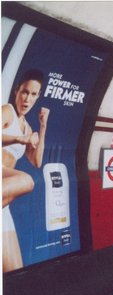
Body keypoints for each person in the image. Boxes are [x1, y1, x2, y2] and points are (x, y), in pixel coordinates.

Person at [2, 69, 50, 272]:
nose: (27, 99)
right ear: (16, 91)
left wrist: (43, 125)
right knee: (27, 181)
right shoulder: (6, 111)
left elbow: (37, 161)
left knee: (14, 269)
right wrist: (18, 139)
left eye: (33, 94)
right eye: (24, 92)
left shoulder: (28, 128)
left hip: (3, 195)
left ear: (38, 97)